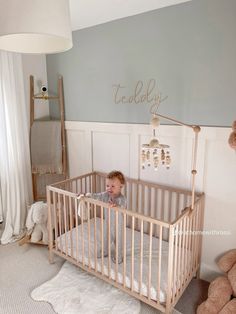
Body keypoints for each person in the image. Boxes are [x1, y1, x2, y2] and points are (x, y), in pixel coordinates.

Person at [86, 170, 126, 264]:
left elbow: (122, 206)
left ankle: (118, 256)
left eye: (113, 186)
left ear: (121, 186)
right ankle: (105, 251)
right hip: (108, 223)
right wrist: (89, 195)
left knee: (118, 241)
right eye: (107, 185)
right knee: (106, 239)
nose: (109, 188)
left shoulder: (121, 199)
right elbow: (97, 196)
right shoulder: (105, 195)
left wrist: (116, 206)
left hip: (118, 225)